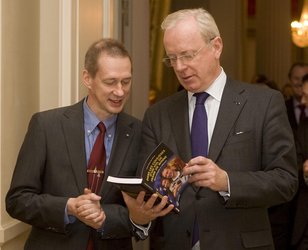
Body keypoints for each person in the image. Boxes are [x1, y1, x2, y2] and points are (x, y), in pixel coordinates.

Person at [122, 8, 298, 250]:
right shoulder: (158, 114)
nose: (180, 67)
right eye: (172, 59)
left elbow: (285, 180)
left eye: (187, 55)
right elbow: (149, 189)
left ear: (216, 47)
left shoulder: (264, 103)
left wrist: (226, 181)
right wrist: (140, 214)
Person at [5, 38, 143, 249]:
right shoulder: (46, 126)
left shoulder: (140, 133)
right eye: (110, 82)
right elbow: (17, 200)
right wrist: (68, 207)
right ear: (87, 78)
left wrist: (105, 216)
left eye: (126, 81)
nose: (120, 91)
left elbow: (144, 211)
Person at [291, 73, 308, 250]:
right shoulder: (303, 126)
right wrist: (304, 170)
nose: (302, 102)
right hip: (304, 223)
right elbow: (294, 162)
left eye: (306, 96)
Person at [285, 62, 308, 133]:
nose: (300, 82)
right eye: (296, 78)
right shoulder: (282, 108)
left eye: (304, 78)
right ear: (290, 80)